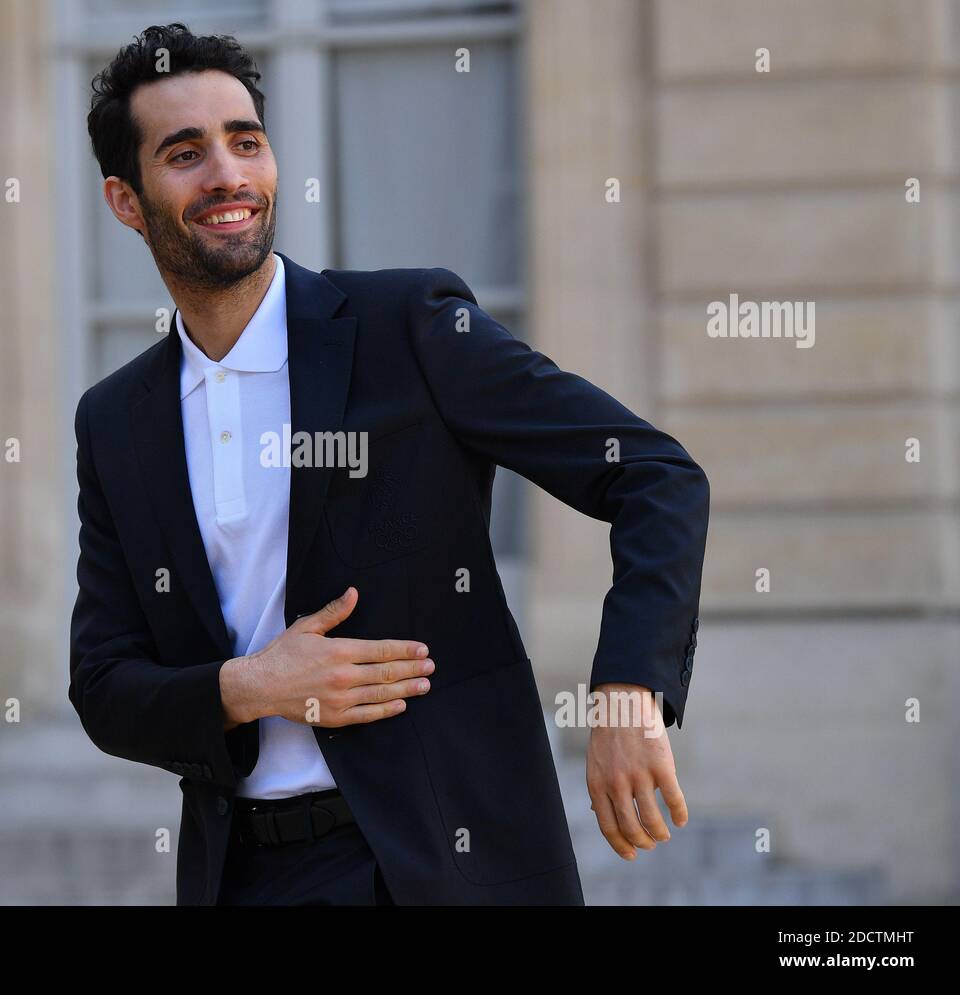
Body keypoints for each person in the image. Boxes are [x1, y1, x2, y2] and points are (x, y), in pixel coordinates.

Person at [70, 22, 710, 905]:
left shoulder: (408, 327)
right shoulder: (114, 421)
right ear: (126, 200)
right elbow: (105, 685)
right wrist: (250, 686)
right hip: (244, 877)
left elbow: (653, 475)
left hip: (443, 868)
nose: (228, 175)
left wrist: (629, 690)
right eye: (185, 153)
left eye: (245, 142)